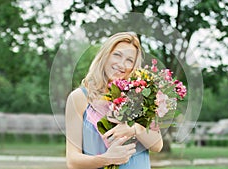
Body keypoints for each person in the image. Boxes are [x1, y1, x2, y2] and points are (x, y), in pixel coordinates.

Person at [65, 32, 163, 169]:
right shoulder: (79, 98)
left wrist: (134, 128)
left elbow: (157, 145)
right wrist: (106, 159)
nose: (121, 64)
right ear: (105, 56)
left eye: (129, 60)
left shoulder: (140, 96)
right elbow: (72, 161)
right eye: (117, 55)